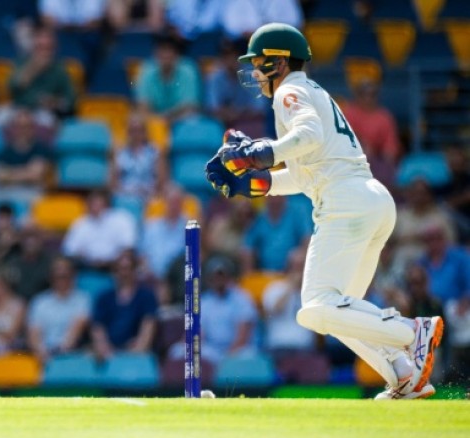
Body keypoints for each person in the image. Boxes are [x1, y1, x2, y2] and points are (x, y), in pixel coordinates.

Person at [204, 23, 443, 399]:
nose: (255, 72)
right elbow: (304, 174)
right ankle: (404, 375)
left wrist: (259, 154)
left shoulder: (289, 90)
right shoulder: (310, 91)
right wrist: (251, 183)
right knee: (341, 314)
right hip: (369, 201)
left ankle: (413, 332)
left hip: (345, 205)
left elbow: (309, 135)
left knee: (315, 308)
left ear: (279, 62)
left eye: (259, 62)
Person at [90, 250, 157, 362]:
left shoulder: (146, 296)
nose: (124, 273)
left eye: (128, 269)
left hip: (137, 353)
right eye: (119, 269)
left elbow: (148, 325)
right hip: (108, 353)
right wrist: (105, 351)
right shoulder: (104, 298)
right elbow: (98, 328)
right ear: (114, 272)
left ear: (135, 271)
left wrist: (139, 349)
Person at [26, 256, 91, 362]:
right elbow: (34, 333)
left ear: (73, 276)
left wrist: (57, 354)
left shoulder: (83, 300)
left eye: (65, 276)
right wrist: (41, 352)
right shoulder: (40, 302)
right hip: (43, 355)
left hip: (72, 354)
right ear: (51, 277)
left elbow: (76, 330)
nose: (61, 280)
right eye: (57, 276)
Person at [62, 188, 138, 270]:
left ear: (107, 204)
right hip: (87, 265)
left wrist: (112, 261)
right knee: (63, 265)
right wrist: (87, 259)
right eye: (91, 204)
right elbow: (69, 250)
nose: (94, 207)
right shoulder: (81, 223)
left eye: (97, 204)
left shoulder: (122, 219)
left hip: (115, 264)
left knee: (126, 261)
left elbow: (128, 246)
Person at [133, 33, 200, 122]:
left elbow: (190, 107)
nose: (165, 54)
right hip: (155, 121)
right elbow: (142, 106)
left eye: (169, 50)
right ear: (155, 53)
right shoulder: (146, 69)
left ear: (177, 53)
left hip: (182, 120)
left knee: (191, 117)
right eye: (162, 50)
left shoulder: (188, 70)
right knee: (135, 119)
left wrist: (166, 118)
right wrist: (158, 121)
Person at [0, 108, 54, 190]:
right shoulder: (5, 151)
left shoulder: (41, 149)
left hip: (33, 191)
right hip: (7, 191)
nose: (23, 130)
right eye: (19, 126)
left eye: (27, 126)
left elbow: (35, 175)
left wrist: (9, 173)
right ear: (13, 128)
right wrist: (26, 171)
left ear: (33, 128)